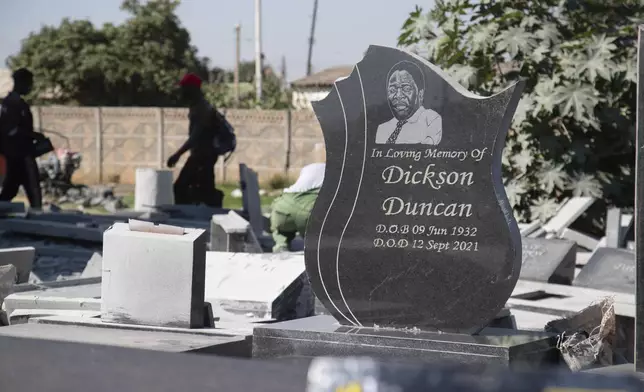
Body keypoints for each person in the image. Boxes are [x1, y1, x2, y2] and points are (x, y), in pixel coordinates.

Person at [167, 73, 223, 207]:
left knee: (180, 189)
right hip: (203, 156)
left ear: (193, 88)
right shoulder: (199, 106)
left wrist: (177, 154)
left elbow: (196, 136)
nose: (182, 91)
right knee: (203, 191)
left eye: (185, 88)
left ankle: (190, 222)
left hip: (202, 156)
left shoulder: (201, 108)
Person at [0, 68, 43, 209]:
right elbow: (11, 130)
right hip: (20, 154)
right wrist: (33, 135)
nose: (30, 87)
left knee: (10, 189)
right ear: (20, 82)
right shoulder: (12, 103)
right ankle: (39, 221)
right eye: (29, 83)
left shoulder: (17, 103)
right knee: (33, 190)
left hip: (17, 154)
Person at [270, 144, 326, 252]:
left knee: (283, 229)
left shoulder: (307, 168)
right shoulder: (336, 171)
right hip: (307, 211)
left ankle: (281, 245)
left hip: (282, 209)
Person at [375, 60, 442, 145]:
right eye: (392, 90)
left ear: (420, 94)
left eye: (406, 89)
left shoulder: (430, 119)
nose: (398, 95)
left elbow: (424, 151)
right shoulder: (383, 128)